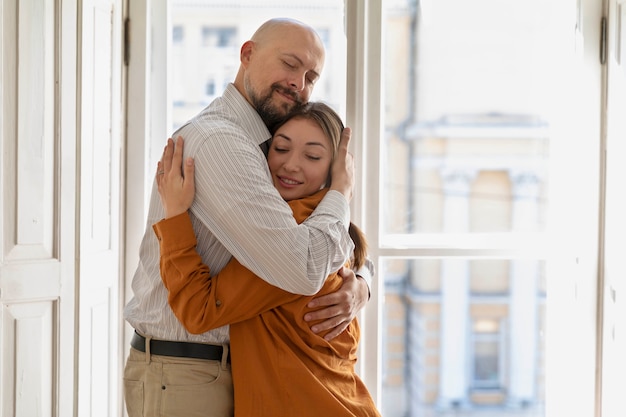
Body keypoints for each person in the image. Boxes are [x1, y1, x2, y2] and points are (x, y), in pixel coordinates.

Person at [123, 18, 372, 417]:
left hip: (231, 372)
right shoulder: (225, 142)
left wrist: (361, 282)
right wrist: (341, 193)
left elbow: (326, 249)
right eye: (289, 64)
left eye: (311, 76)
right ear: (247, 54)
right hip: (190, 372)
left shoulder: (269, 155)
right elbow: (304, 266)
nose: (298, 83)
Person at [154, 102, 380, 417]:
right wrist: (362, 283)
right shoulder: (333, 228)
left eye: (312, 156)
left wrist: (175, 216)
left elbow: (198, 310)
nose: (290, 165)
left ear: (336, 171)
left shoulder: (295, 236)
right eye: (281, 148)